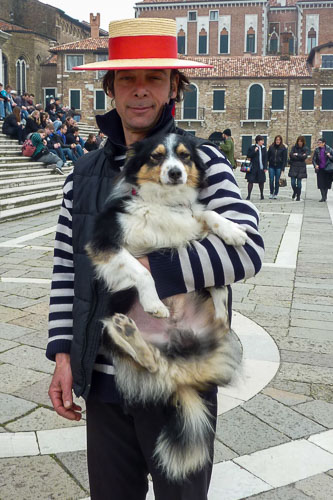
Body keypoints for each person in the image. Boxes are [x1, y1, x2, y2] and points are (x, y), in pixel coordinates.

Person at [46, 18, 264, 500]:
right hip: (103, 378)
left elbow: (248, 250)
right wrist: (63, 353)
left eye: (154, 78)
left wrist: (153, 272)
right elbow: (67, 268)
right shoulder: (80, 175)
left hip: (178, 376)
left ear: (173, 88)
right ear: (110, 88)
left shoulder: (201, 162)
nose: (140, 91)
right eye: (127, 78)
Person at [245, 135, 268, 200]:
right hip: (253, 167)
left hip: (261, 168)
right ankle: (249, 195)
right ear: (258, 141)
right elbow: (249, 155)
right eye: (261, 141)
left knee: (261, 182)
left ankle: (261, 194)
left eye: (263, 141)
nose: (263, 142)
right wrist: (254, 151)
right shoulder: (252, 148)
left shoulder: (264, 148)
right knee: (250, 181)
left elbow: (265, 159)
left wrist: (265, 167)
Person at [312, 137, 333, 202]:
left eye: (320, 142)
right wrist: (315, 165)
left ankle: (325, 196)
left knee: (326, 183)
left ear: (324, 143)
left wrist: (330, 156)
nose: (319, 144)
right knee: (321, 183)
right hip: (320, 168)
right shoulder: (317, 150)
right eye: (318, 142)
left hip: (328, 169)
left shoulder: (329, 149)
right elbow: (314, 159)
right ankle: (323, 197)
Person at [267, 135, 288, 199]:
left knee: (277, 181)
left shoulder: (283, 148)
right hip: (271, 166)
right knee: (271, 180)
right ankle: (271, 192)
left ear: (281, 140)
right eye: (277, 140)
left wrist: (283, 168)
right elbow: (267, 156)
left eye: (279, 140)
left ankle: (276, 193)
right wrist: (266, 164)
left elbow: (285, 159)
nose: (277, 141)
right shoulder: (271, 147)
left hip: (279, 166)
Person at [288, 135, 308, 201]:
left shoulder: (305, 149)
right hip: (293, 166)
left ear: (303, 142)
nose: (300, 142)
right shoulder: (294, 148)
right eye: (299, 141)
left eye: (301, 141)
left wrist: (297, 155)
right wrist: (300, 156)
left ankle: (298, 195)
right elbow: (291, 155)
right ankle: (295, 191)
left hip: (301, 168)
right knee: (293, 182)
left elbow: (304, 157)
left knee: (299, 183)